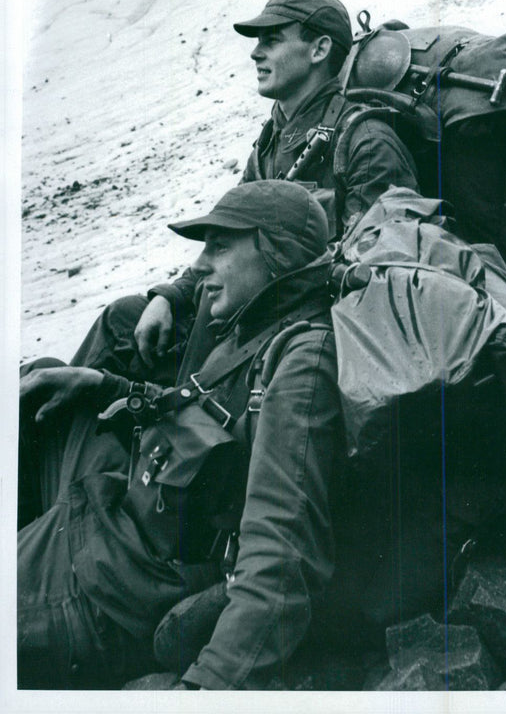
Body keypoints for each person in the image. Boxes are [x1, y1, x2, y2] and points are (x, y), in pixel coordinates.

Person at [18, 180, 342, 690]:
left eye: (220, 247)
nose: (200, 266)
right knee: (38, 389)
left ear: (275, 252)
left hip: (117, 589)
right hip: (114, 520)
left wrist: (206, 688)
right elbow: (197, 409)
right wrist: (104, 384)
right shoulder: (255, 319)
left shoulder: (302, 365)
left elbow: (281, 554)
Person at [55, 0, 419, 388]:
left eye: (272, 40)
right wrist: (171, 295)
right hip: (250, 313)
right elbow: (224, 240)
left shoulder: (365, 140)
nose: (255, 53)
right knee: (123, 319)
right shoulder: (271, 142)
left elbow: (378, 269)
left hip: (300, 331)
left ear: (319, 50)